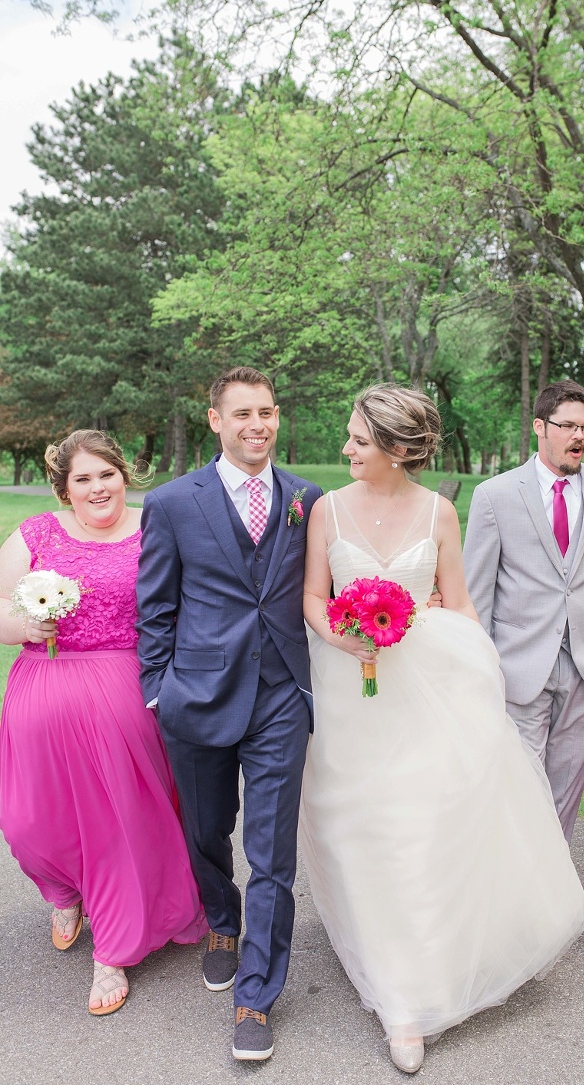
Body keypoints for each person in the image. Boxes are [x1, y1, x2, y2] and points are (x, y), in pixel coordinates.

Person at [301, 384, 584, 1075]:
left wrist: (476, 680)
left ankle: (410, 1001)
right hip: (351, 691)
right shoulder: (326, 510)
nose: (346, 449)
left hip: (430, 687)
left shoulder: (438, 512)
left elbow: (458, 602)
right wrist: (344, 640)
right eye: (350, 436)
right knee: (361, 830)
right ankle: (381, 951)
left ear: (398, 451)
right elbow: (314, 595)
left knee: (419, 831)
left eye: (359, 441)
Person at [136, 367, 322, 1062]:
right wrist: (159, 691)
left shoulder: (308, 498)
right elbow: (154, 607)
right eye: (242, 412)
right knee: (209, 829)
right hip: (197, 695)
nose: (257, 424)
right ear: (215, 420)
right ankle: (221, 917)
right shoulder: (173, 502)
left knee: (272, 855)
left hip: (279, 696)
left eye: (267, 411)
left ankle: (257, 993)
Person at [0, 430, 206, 1016]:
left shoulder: (156, 523)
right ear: (64, 489)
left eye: (106, 474)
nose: (97, 488)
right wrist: (25, 627)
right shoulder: (37, 534)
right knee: (25, 822)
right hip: (41, 686)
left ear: (125, 473)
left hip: (123, 689)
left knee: (116, 825)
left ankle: (112, 950)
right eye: (82, 479)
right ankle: (64, 890)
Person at [463, 380, 584, 842]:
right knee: (518, 783)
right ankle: (513, 887)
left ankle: (552, 889)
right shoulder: (495, 496)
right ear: (540, 427)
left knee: (566, 787)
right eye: (567, 426)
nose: (578, 436)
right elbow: (475, 594)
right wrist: (485, 666)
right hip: (518, 664)